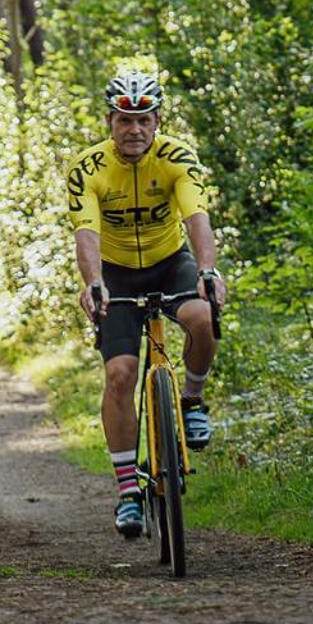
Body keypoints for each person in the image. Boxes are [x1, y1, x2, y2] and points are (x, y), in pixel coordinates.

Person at [64, 70, 228, 538]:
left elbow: (196, 216)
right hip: (115, 270)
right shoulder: (87, 168)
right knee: (119, 374)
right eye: (124, 120)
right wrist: (94, 283)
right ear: (110, 121)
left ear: (157, 121)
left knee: (201, 317)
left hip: (167, 260)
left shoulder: (178, 157)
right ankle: (128, 492)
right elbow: (86, 233)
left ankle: (192, 399)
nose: (134, 129)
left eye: (143, 120)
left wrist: (208, 271)